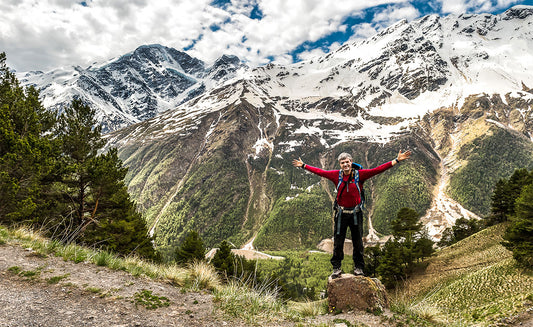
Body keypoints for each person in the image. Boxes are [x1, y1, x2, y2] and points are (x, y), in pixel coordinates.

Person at [292, 150, 411, 278]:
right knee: (338, 242)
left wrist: (397, 160)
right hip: (341, 214)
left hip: (355, 214)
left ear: (351, 162)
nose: (345, 165)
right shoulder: (335, 175)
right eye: (343, 163)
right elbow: (321, 172)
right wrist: (304, 166)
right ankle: (336, 268)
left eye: (347, 162)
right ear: (340, 164)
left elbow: (378, 170)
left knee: (358, 242)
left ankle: (359, 267)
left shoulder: (360, 175)